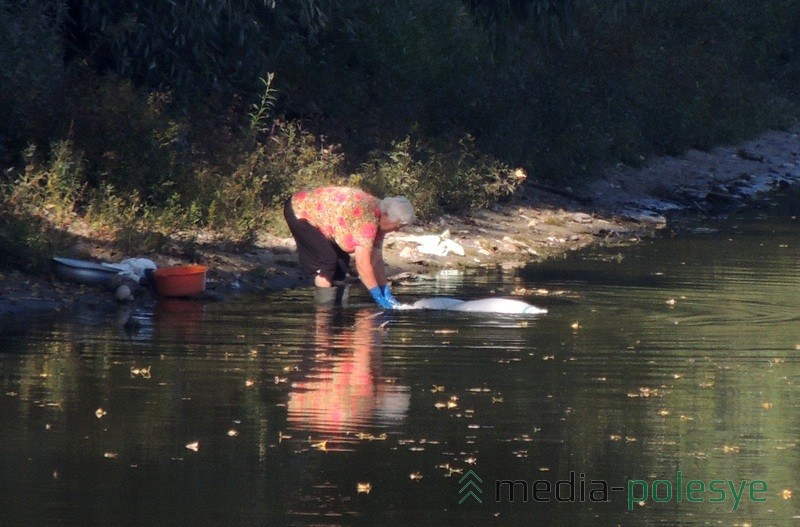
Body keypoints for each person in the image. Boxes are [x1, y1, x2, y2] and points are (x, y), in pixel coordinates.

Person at [284, 186, 415, 308]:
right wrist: (377, 295)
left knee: (342, 263)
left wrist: (385, 291)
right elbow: (363, 264)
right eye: (397, 226)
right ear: (387, 217)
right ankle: (323, 318)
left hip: (323, 217)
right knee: (328, 261)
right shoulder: (367, 220)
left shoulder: (380, 220)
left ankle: (337, 313)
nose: (396, 231)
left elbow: (376, 261)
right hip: (299, 210)